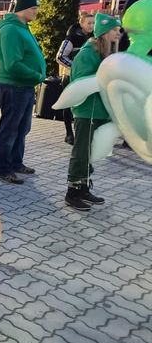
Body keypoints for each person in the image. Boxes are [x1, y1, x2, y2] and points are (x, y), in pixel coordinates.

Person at [64, 13, 121, 211]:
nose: (118, 32)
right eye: (114, 29)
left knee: (92, 150)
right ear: (104, 32)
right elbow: (80, 81)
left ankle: (84, 187)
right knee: (81, 151)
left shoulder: (104, 53)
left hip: (99, 112)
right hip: (86, 111)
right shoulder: (87, 54)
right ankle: (72, 191)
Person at [0, 0, 46, 184]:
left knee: (22, 128)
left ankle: (16, 162)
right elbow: (12, 63)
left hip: (24, 87)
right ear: (22, 9)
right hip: (13, 87)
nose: (36, 11)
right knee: (10, 129)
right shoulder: (10, 31)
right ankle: (4, 168)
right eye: (33, 8)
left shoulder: (23, 29)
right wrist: (36, 75)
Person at [56, 12, 95, 145]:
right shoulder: (71, 38)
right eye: (89, 23)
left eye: (93, 23)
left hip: (86, 77)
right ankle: (69, 133)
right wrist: (76, 67)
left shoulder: (94, 38)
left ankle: (82, 132)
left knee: (84, 104)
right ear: (81, 23)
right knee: (69, 105)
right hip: (69, 76)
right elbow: (60, 56)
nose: (91, 25)